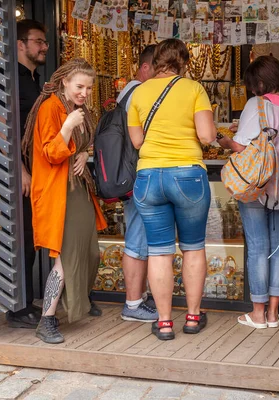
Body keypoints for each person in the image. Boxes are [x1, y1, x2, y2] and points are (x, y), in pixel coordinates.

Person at [127, 39, 216, 340]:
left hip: (149, 177)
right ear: (183, 62)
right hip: (187, 175)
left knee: (159, 251)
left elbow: (137, 142)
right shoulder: (193, 89)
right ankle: (192, 317)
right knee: (193, 247)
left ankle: (164, 322)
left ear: (156, 61)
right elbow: (206, 136)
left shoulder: (139, 92)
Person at [22, 58, 108, 344]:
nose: (84, 92)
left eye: (88, 88)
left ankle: (78, 301)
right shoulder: (51, 108)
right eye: (79, 86)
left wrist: (85, 153)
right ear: (64, 83)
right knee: (66, 255)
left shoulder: (75, 108)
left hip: (76, 188)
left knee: (90, 252)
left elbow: (82, 145)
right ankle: (47, 319)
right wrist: (68, 126)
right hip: (58, 190)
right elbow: (49, 152)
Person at [216, 56, 279, 328]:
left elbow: (242, 147)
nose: (253, 90)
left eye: (254, 85)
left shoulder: (257, 104)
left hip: (256, 185)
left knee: (257, 247)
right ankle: (274, 313)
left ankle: (257, 313)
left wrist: (225, 139)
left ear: (260, 82)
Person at [0, 19, 49, 329]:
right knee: (20, 238)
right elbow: (1, 128)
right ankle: (16, 308)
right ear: (21, 44)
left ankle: (24, 304)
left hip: (33, 172)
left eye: (44, 41)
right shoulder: (6, 78)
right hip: (14, 173)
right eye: (38, 41)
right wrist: (20, 170)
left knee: (30, 237)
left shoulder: (34, 79)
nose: (44, 47)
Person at [116, 45, 159, 322]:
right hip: (137, 177)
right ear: (145, 69)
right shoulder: (137, 94)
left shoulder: (128, 94)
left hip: (132, 176)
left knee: (139, 236)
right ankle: (132, 304)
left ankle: (138, 298)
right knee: (138, 238)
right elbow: (142, 138)